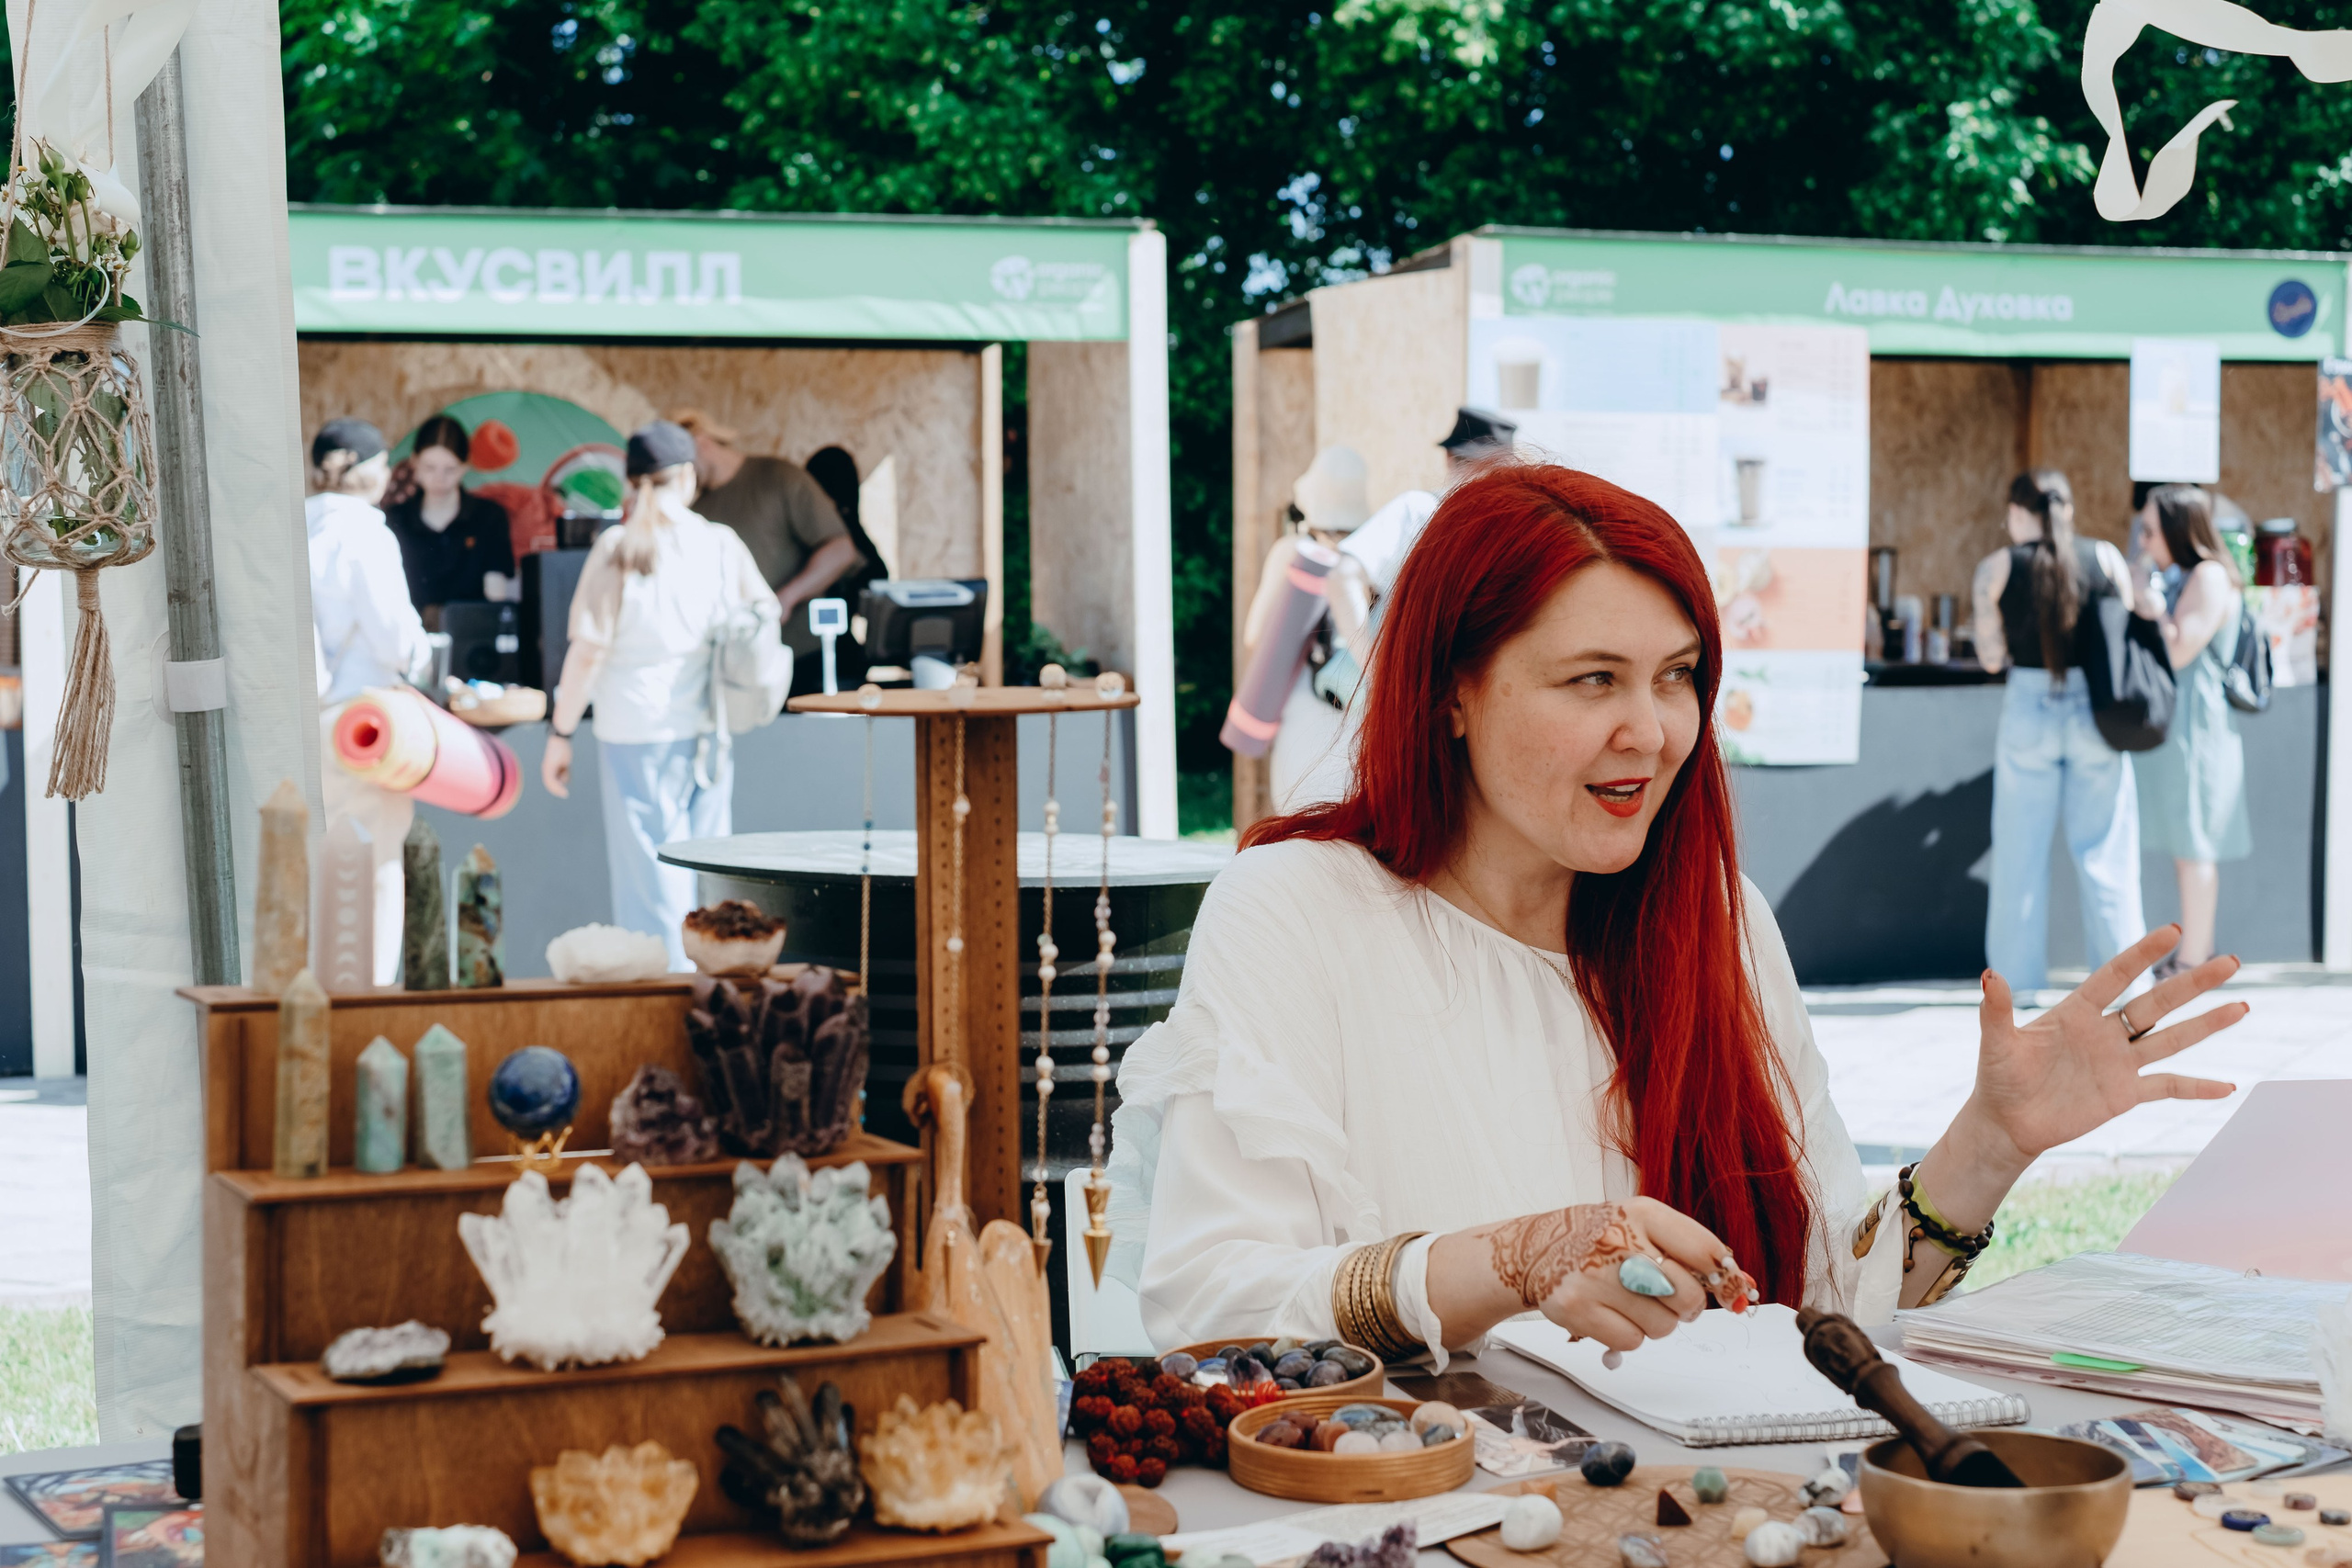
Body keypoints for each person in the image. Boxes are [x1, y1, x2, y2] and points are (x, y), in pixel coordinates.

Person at [1108, 463, 2245, 1360]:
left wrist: (1989, 1144)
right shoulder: (1298, 912)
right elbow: (1214, 1310)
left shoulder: (1716, 920)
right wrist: (1508, 1262)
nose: (1650, 731)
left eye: (1677, 674)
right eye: (1591, 679)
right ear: (1450, 690)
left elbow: (1815, 1307)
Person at [541, 421, 777, 969]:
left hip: (636, 732)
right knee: (712, 880)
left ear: (630, 483)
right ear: (689, 477)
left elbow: (588, 651)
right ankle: (716, 999)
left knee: (651, 886)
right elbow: (764, 617)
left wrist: (560, 731)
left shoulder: (619, 547)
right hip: (709, 731)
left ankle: (664, 1008)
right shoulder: (719, 544)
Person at [1239, 409, 1521, 811]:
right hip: (1357, 718)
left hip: (1379, 720)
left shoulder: (1453, 525)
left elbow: (1264, 630)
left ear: (1448, 459)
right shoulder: (1421, 516)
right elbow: (1344, 577)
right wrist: (1380, 673)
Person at [1971, 469, 2147, 995]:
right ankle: (2125, 990)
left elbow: (1990, 657)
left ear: (2021, 513)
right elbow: (2125, 633)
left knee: (2019, 857)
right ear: (2068, 510)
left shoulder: (1997, 568)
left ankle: (2016, 990)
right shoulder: (2106, 558)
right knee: (2107, 856)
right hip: (2096, 710)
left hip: (2029, 705)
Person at [308, 417, 435, 985]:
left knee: (319, 864)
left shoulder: (295, 527)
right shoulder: (366, 533)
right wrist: (425, 654)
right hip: (364, 721)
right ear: (369, 470)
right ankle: (371, 997)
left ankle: (320, 988)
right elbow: (394, 638)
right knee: (379, 863)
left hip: (304, 716)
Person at [2132, 484, 2252, 978]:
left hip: (2198, 731)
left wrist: (2149, 602)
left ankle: (2193, 962)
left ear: (2178, 531)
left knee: (2196, 843)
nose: (2143, 539)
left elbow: (2180, 648)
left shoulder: (2208, 576)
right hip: (2181, 727)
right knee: (2185, 842)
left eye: (2151, 530)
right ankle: (2190, 957)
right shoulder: (2183, 573)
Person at [666, 409, 863, 677]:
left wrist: (785, 599)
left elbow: (841, 550)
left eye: (683, 461)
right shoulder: (694, 510)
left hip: (803, 659)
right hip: (735, 667)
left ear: (701, 442)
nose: (681, 474)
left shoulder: (778, 477)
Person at [383, 413, 517, 622]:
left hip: (473, 639)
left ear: (465, 466)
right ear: (414, 462)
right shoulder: (395, 519)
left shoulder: (489, 517)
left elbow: (495, 596)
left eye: (450, 469)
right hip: (408, 636)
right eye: (429, 468)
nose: (439, 478)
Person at [801, 445, 892, 692]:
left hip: (841, 658)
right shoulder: (806, 531)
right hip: (806, 657)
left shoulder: (848, 533)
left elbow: (878, 581)